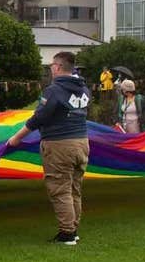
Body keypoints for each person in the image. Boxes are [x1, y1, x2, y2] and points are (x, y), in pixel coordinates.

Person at [6, 51, 90, 246]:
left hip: (59, 144)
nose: (51, 68)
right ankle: (73, 229)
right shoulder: (84, 90)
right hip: (82, 142)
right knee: (74, 189)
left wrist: (17, 138)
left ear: (59, 67)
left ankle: (67, 234)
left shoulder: (53, 91)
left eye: (52, 65)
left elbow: (39, 117)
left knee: (60, 189)